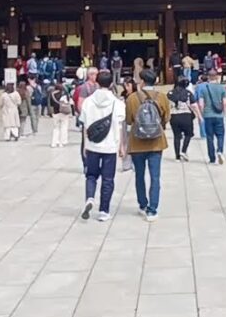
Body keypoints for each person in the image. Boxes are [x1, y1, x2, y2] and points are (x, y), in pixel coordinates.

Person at [123, 70, 170, 221]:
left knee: (139, 175)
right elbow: (166, 117)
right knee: (155, 176)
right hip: (156, 142)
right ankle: (153, 209)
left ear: (142, 82)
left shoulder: (131, 98)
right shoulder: (162, 97)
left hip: (137, 142)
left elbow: (129, 120)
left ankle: (142, 203)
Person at [79, 70, 125, 222]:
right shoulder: (117, 103)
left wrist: (85, 144)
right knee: (108, 178)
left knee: (91, 175)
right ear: (112, 84)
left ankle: (90, 197)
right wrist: (121, 145)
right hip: (110, 145)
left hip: (92, 145)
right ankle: (104, 210)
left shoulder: (88, 102)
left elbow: (85, 125)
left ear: (97, 83)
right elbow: (119, 125)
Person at [198, 69, 226, 164]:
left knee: (209, 137)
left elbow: (201, 103)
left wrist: (201, 113)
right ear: (217, 77)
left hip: (208, 115)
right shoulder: (222, 88)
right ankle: (220, 150)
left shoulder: (203, 88)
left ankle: (212, 158)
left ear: (208, 77)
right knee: (220, 135)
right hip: (219, 115)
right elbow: (225, 103)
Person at [167, 76, 198, 161]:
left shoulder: (170, 93)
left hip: (174, 116)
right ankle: (183, 151)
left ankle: (177, 156)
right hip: (186, 116)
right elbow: (194, 105)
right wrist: (199, 115)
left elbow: (168, 105)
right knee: (188, 134)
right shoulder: (188, 93)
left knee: (176, 136)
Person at [47, 79, 72, 148]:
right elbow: (69, 102)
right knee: (64, 127)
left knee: (56, 128)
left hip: (55, 112)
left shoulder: (52, 94)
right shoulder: (65, 94)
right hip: (64, 112)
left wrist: (50, 112)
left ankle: (54, 142)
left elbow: (50, 104)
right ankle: (62, 142)